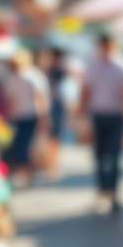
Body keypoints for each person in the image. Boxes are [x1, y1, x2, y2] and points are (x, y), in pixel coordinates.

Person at [80, 33, 123, 213]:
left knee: (113, 156)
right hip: (98, 115)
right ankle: (102, 190)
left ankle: (112, 193)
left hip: (116, 116)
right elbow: (86, 92)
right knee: (99, 156)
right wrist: (81, 116)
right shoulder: (93, 66)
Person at [2, 49, 49, 186]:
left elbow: (40, 98)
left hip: (30, 116)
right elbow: (9, 100)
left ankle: (27, 174)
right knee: (18, 147)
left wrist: (43, 117)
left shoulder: (32, 77)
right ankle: (23, 173)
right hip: (17, 116)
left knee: (26, 147)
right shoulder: (11, 78)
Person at [38, 47, 69, 179]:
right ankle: (50, 164)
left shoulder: (56, 71)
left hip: (54, 105)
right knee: (50, 136)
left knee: (53, 136)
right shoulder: (47, 71)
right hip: (50, 105)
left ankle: (53, 164)